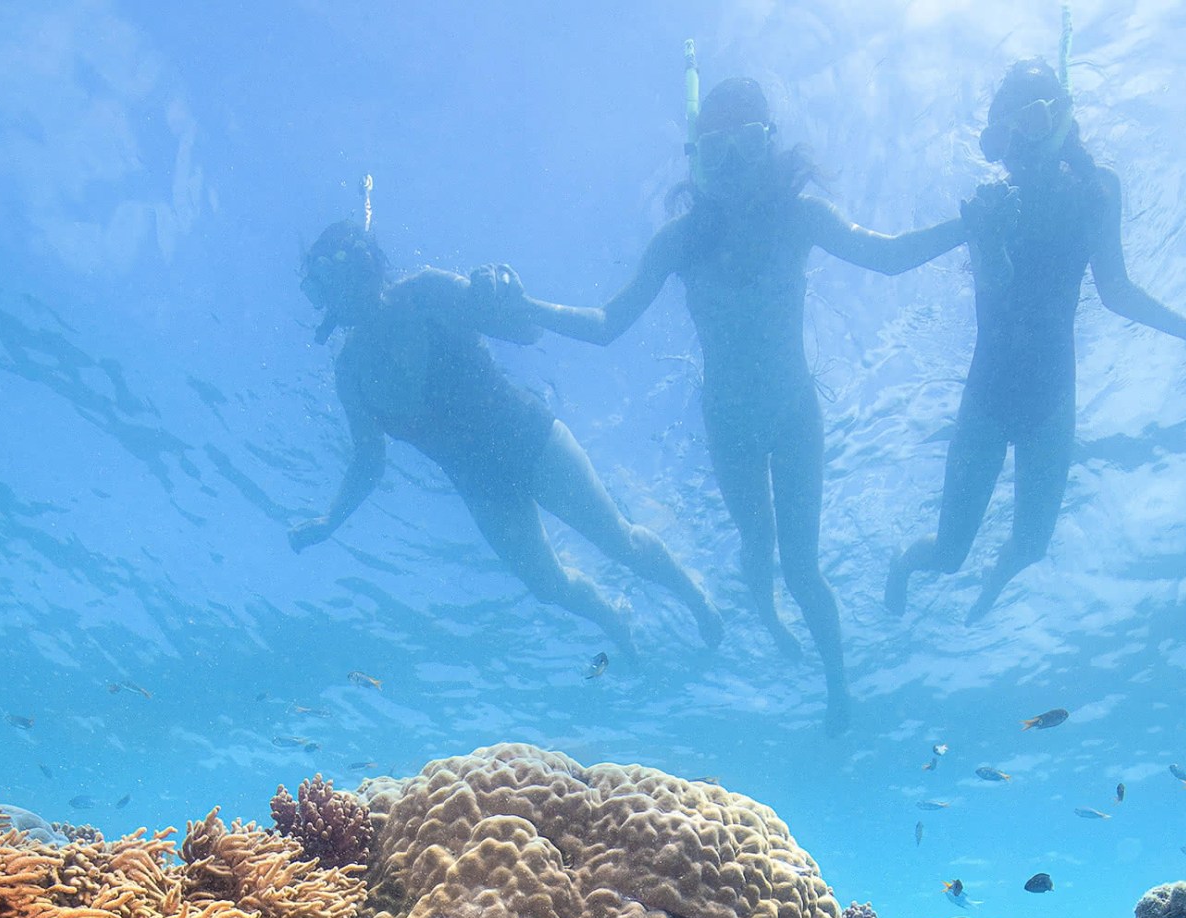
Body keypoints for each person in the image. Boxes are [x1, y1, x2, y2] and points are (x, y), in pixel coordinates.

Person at [505, 78, 967, 734]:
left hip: (793, 413)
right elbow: (609, 321)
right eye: (715, 152)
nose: (732, 166)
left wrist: (969, 224)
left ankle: (838, 690)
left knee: (802, 563)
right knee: (758, 540)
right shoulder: (679, 240)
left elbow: (886, 256)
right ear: (697, 161)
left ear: (768, 145)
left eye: (745, 145)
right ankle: (770, 615)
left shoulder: (800, 216)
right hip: (729, 426)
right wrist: (524, 307)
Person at [883, 59, 1186, 624]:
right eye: (1006, 131)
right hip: (988, 400)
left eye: (1036, 120)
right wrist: (989, 239)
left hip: (1050, 401)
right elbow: (993, 291)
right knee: (947, 556)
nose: (1021, 141)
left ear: (1063, 122)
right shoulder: (991, 203)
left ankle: (989, 593)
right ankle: (905, 562)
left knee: (1031, 547)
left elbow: (1115, 290)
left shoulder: (1096, 192)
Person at [288, 221, 723, 661]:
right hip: (481, 485)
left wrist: (503, 288)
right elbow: (368, 459)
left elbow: (525, 331)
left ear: (361, 267)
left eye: (327, 280)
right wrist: (331, 521)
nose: (327, 298)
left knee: (618, 541)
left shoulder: (425, 293)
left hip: (530, 439)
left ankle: (695, 598)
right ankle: (613, 619)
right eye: (315, 289)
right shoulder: (351, 372)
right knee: (547, 586)